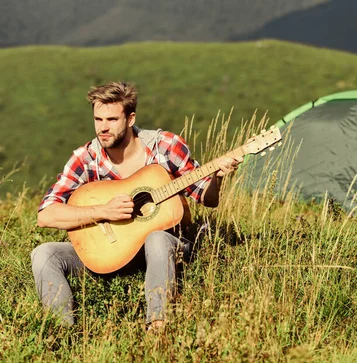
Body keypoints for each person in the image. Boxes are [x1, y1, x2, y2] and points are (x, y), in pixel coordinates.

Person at [31, 81, 242, 329]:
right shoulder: (86, 158)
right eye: (98, 120)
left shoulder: (165, 146)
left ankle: (158, 327)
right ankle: (61, 331)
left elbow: (207, 198)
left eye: (111, 119)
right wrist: (102, 211)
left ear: (130, 119)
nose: (103, 128)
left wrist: (217, 176)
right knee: (44, 254)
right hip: (111, 252)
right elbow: (46, 215)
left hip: (167, 247)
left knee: (156, 238)